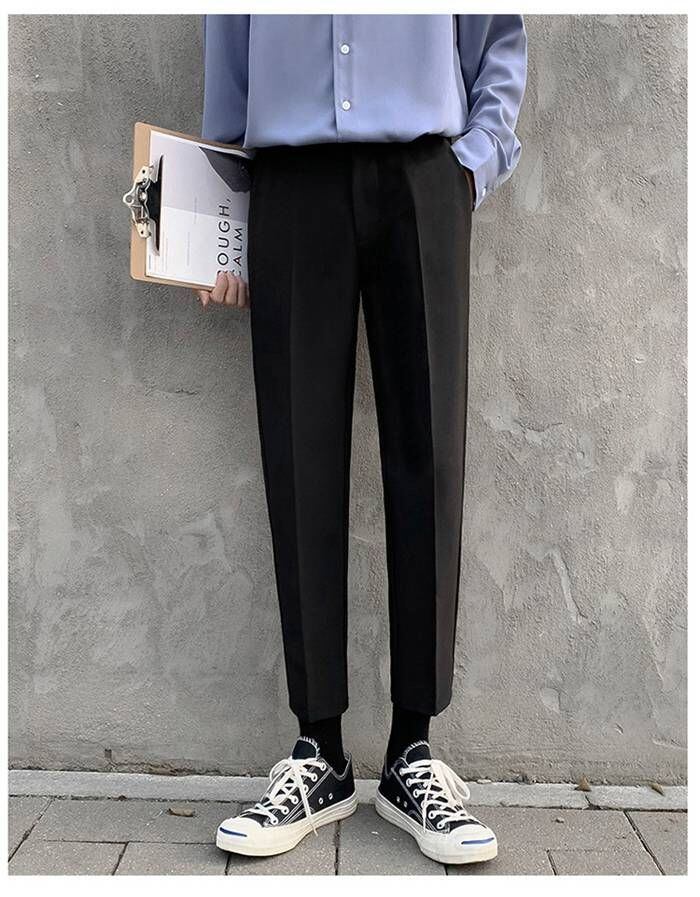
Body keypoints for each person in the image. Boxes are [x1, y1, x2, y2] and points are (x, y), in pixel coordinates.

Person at [196, 14, 526, 866]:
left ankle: (414, 752)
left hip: (424, 174)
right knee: (298, 454)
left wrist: (471, 165)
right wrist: (216, 219)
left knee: (430, 454)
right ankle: (320, 753)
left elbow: (496, 37)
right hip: (288, 182)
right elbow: (228, 53)